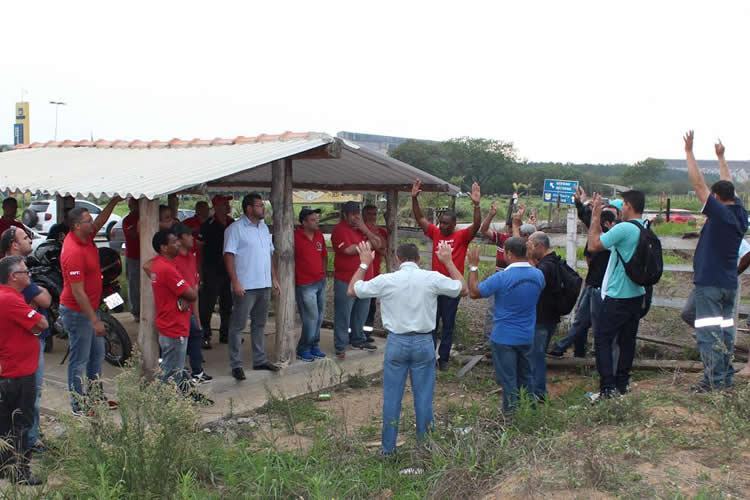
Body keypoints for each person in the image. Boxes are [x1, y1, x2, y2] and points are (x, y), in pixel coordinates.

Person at [348, 241, 466, 455]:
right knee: (423, 398)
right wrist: (448, 261)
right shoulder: (431, 278)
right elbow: (462, 288)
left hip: (397, 342)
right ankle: (425, 449)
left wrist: (364, 264)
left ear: (397, 259)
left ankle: (388, 450)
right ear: (419, 259)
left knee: (392, 399)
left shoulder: (387, 280)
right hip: (423, 342)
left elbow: (352, 290)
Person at [683, 132, 748, 391]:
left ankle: (713, 381)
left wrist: (689, 152)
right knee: (724, 331)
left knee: (709, 334)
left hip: (710, 284)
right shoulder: (739, 212)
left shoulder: (720, 214)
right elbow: (727, 183)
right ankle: (725, 376)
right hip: (727, 283)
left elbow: (699, 185)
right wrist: (721, 157)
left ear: (717, 199)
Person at [59, 198, 121, 414]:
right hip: (77, 313)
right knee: (79, 359)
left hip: (90, 309)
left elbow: (101, 221)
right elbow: (77, 291)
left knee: (97, 354)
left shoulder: (86, 236)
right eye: (88, 220)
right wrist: (94, 320)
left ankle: (95, 397)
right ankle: (78, 405)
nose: (93, 223)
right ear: (77, 226)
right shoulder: (72, 251)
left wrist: (114, 202)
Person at [468, 238, 544, 414]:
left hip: (504, 337)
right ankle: (529, 412)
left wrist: (473, 267)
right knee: (527, 376)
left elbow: (474, 292)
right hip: (527, 335)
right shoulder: (538, 276)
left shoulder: (501, 277)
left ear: (509, 254)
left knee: (508, 380)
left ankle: (510, 417)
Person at [412, 179, 481, 370]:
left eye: (446, 224)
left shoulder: (461, 236)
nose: (442, 226)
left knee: (448, 324)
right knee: (431, 324)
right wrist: (414, 198)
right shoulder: (435, 232)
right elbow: (420, 219)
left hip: (452, 287)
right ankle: (429, 357)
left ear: (454, 224)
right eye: (441, 222)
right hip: (434, 287)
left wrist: (476, 205)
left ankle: (443, 359)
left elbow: (476, 225)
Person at [587, 190, 647, 399]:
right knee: (627, 341)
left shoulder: (624, 228)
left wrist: (595, 216)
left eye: (622, 204)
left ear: (628, 205)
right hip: (637, 294)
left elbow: (593, 245)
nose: (620, 209)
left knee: (603, 339)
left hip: (618, 295)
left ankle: (607, 388)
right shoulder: (645, 227)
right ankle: (622, 384)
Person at [548, 188, 619, 358]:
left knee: (584, 321)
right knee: (582, 320)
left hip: (602, 286)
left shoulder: (612, 238)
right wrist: (580, 203)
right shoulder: (603, 232)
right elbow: (588, 219)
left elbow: (590, 221)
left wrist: (585, 207)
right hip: (592, 283)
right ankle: (577, 354)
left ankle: (562, 347)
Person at [0, 227, 52, 453]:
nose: (30, 240)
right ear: (13, 244)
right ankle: (21, 462)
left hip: (20, 355)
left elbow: (46, 299)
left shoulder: (14, 281)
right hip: (17, 363)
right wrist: (32, 298)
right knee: (21, 411)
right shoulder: (11, 289)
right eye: (24, 237)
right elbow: (43, 316)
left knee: (15, 412)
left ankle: (13, 457)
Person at [224, 193, 280, 380]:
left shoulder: (264, 228)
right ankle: (236, 364)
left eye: (262, 205)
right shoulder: (235, 229)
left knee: (260, 324)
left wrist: (274, 278)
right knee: (238, 325)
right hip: (245, 285)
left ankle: (259, 359)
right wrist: (235, 281)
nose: (262, 209)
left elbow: (269, 255)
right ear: (248, 208)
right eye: (259, 206)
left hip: (263, 283)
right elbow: (229, 256)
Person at [331, 201, 383, 359]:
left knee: (361, 312)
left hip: (366, 278)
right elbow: (347, 250)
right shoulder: (339, 230)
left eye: (357, 214)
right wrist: (368, 245)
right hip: (346, 279)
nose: (355, 217)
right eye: (352, 214)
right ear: (345, 214)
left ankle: (358, 339)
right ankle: (340, 344)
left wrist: (364, 229)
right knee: (344, 314)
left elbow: (378, 244)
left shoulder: (363, 229)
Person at [148, 230, 198, 388]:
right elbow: (192, 294)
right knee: (171, 372)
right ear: (163, 247)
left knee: (172, 368)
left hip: (168, 322)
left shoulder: (158, 263)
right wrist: (189, 293)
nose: (178, 244)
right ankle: (163, 405)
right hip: (174, 325)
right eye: (174, 242)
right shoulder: (167, 269)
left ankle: (169, 401)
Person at [173, 224, 212, 383]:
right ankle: (181, 374)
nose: (192, 239)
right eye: (188, 235)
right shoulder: (173, 260)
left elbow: (194, 287)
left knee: (196, 333)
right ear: (180, 239)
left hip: (190, 307)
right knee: (178, 343)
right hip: (177, 309)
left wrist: (196, 316)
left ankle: (197, 372)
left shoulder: (191, 256)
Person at [526, 231, 563, 400]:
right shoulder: (554, 261)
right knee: (537, 355)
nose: (529, 249)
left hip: (541, 318)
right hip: (551, 317)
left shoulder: (545, 267)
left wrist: (528, 259)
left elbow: (532, 281)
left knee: (536, 357)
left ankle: (537, 393)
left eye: (531, 245)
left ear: (540, 246)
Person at [198, 195, 234, 348]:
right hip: (212, 268)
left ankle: (226, 334)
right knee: (208, 304)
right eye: (224, 203)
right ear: (217, 206)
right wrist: (200, 271)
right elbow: (200, 248)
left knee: (228, 303)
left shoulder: (232, 223)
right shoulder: (208, 225)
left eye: (228, 203)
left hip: (228, 269)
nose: (227, 206)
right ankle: (205, 335)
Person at [294, 208, 328, 362]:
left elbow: (324, 256)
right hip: (305, 283)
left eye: (317, 219)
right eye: (313, 220)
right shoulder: (295, 236)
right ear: (304, 222)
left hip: (320, 281)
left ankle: (314, 344)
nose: (317, 222)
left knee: (320, 316)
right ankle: (303, 348)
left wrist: (324, 274)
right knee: (310, 317)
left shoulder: (319, 235)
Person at [362, 204, 389, 339]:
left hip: (374, 273)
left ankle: (367, 333)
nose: (372, 216)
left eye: (374, 214)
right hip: (361, 272)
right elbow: (374, 245)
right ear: (364, 215)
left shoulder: (380, 231)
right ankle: (355, 333)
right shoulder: (360, 230)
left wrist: (375, 237)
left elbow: (382, 248)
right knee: (359, 307)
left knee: (371, 306)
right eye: (370, 214)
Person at [122, 197, 141, 322]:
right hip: (133, 257)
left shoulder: (147, 217)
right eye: (131, 204)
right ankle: (136, 312)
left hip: (148, 255)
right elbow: (133, 234)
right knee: (134, 284)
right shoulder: (128, 220)